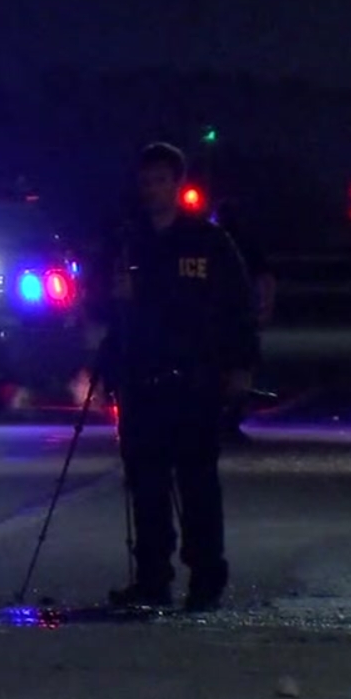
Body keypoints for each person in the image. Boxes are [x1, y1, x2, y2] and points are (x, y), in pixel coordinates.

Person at [93, 142, 259, 612]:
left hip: (195, 381)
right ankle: (151, 580)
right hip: (142, 381)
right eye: (145, 182)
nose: (152, 190)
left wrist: (241, 366)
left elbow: (237, 309)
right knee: (145, 486)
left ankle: (206, 580)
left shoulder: (208, 243)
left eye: (160, 180)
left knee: (198, 486)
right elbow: (108, 312)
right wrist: (108, 364)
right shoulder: (129, 241)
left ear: (177, 184)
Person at [211, 198, 276, 441]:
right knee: (239, 370)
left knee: (233, 370)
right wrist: (265, 307)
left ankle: (224, 419)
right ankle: (228, 420)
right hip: (236, 317)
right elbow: (266, 278)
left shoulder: (216, 243)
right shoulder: (243, 244)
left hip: (231, 316)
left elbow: (264, 278)